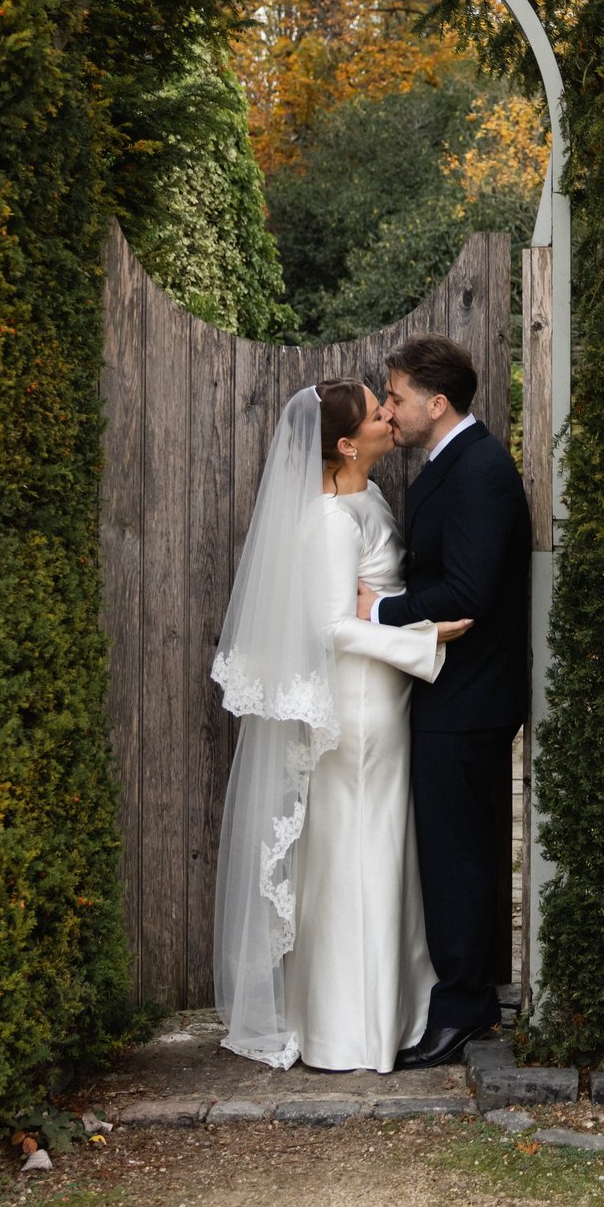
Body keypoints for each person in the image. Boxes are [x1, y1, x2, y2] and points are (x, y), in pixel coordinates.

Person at [208, 379, 471, 1072]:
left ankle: (398, 1009)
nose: (392, 412)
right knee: (360, 853)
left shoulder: (370, 496)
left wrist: (392, 608)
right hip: (356, 709)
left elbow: (369, 596)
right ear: (348, 442)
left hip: (385, 702)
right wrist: (424, 636)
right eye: (378, 408)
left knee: (384, 851)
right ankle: (350, 1028)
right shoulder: (329, 520)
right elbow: (330, 628)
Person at [362, 335, 532, 1069]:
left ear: (438, 402)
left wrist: (377, 611)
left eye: (395, 397)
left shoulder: (481, 471)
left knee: (458, 855)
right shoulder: (446, 463)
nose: (389, 410)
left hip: (468, 697)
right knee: (452, 851)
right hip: (449, 691)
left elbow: (468, 590)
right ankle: (463, 993)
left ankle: (463, 1007)